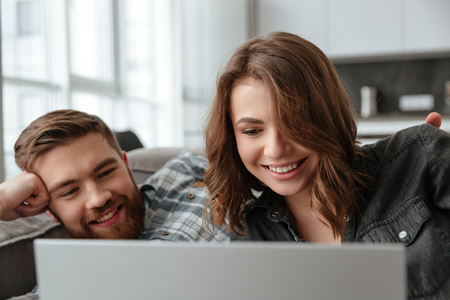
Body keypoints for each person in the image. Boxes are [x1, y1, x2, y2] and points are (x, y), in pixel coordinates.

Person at [203, 31, 449, 298]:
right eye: (252, 131)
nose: (275, 150)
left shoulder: (419, 157)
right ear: (232, 138)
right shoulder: (251, 231)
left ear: (328, 116)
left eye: (294, 123)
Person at [0, 109, 228, 242]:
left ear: (126, 165)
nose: (98, 198)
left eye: (106, 172)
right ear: (49, 210)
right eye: (70, 191)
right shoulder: (66, 281)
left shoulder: (188, 169)